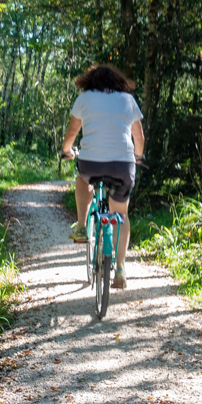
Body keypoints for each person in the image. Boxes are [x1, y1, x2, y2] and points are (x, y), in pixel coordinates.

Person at [60, 63, 144, 290]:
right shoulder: (128, 100)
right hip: (122, 166)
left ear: (90, 81)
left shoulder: (85, 98)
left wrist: (66, 151)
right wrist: (138, 156)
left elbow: (72, 132)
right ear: (119, 82)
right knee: (121, 214)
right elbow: (139, 136)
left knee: (83, 179)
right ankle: (120, 269)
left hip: (91, 163)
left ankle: (81, 226)